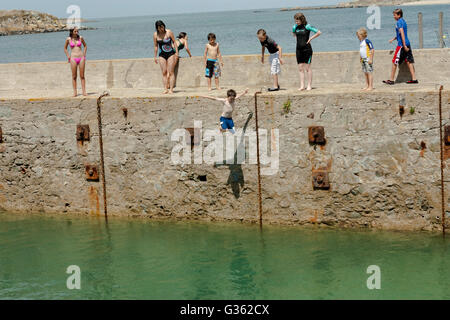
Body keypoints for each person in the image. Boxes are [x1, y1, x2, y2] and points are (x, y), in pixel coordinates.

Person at [383, 8, 418, 85]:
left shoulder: (399, 22)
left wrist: (404, 45)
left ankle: (391, 80)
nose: (393, 16)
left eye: (394, 15)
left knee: (394, 62)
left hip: (402, 45)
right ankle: (414, 79)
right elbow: (402, 34)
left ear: (399, 15)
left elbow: (402, 33)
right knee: (409, 61)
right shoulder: (403, 21)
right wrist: (393, 39)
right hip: (407, 43)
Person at [292, 12, 321, 91]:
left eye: (297, 21)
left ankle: (309, 85)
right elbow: (294, 34)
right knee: (300, 68)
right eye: (295, 21)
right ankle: (302, 86)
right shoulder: (295, 27)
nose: (296, 22)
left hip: (307, 49)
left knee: (307, 68)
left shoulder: (307, 26)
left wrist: (310, 39)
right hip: (298, 50)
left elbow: (318, 32)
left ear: (302, 20)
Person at [153, 20, 179, 94]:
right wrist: (155, 56)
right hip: (161, 54)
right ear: (157, 28)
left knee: (171, 72)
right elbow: (155, 46)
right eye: (159, 28)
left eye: (162, 27)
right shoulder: (155, 35)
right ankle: (165, 89)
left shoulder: (169, 32)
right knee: (164, 72)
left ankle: (171, 89)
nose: (161, 29)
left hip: (171, 53)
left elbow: (174, 41)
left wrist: (176, 53)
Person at [64, 27, 87, 97]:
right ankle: (75, 92)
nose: (77, 33)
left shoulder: (80, 38)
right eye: (75, 31)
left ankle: (84, 92)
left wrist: (84, 54)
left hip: (81, 57)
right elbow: (65, 48)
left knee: (82, 76)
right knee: (74, 76)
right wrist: (68, 56)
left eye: (77, 31)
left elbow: (85, 46)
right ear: (72, 32)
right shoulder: (68, 39)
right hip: (73, 58)